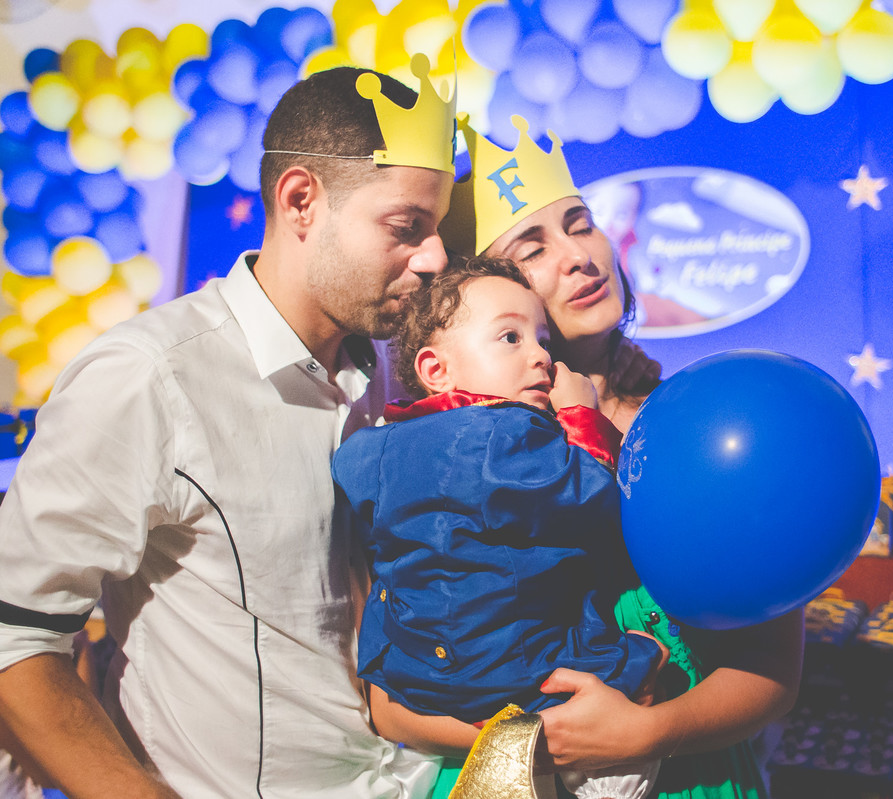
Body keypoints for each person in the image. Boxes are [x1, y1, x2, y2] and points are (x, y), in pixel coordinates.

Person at [0, 59, 457, 798]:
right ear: (301, 201)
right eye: (407, 227)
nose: (434, 257)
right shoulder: (150, 375)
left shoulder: (396, 375)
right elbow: (14, 633)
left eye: (435, 229)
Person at [394, 115, 804, 797]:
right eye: (532, 248)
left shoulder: (699, 425)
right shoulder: (447, 459)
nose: (578, 256)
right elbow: (390, 704)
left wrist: (646, 732)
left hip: (690, 778)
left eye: (580, 224)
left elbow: (773, 668)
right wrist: (545, 736)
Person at [334, 256, 666, 799]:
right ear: (435, 369)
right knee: (641, 659)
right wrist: (581, 417)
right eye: (511, 337)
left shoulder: (375, 446)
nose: (541, 356)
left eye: (543, 341)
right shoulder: (506, 433)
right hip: (521, 675)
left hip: (417, 679)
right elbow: (595, 501)